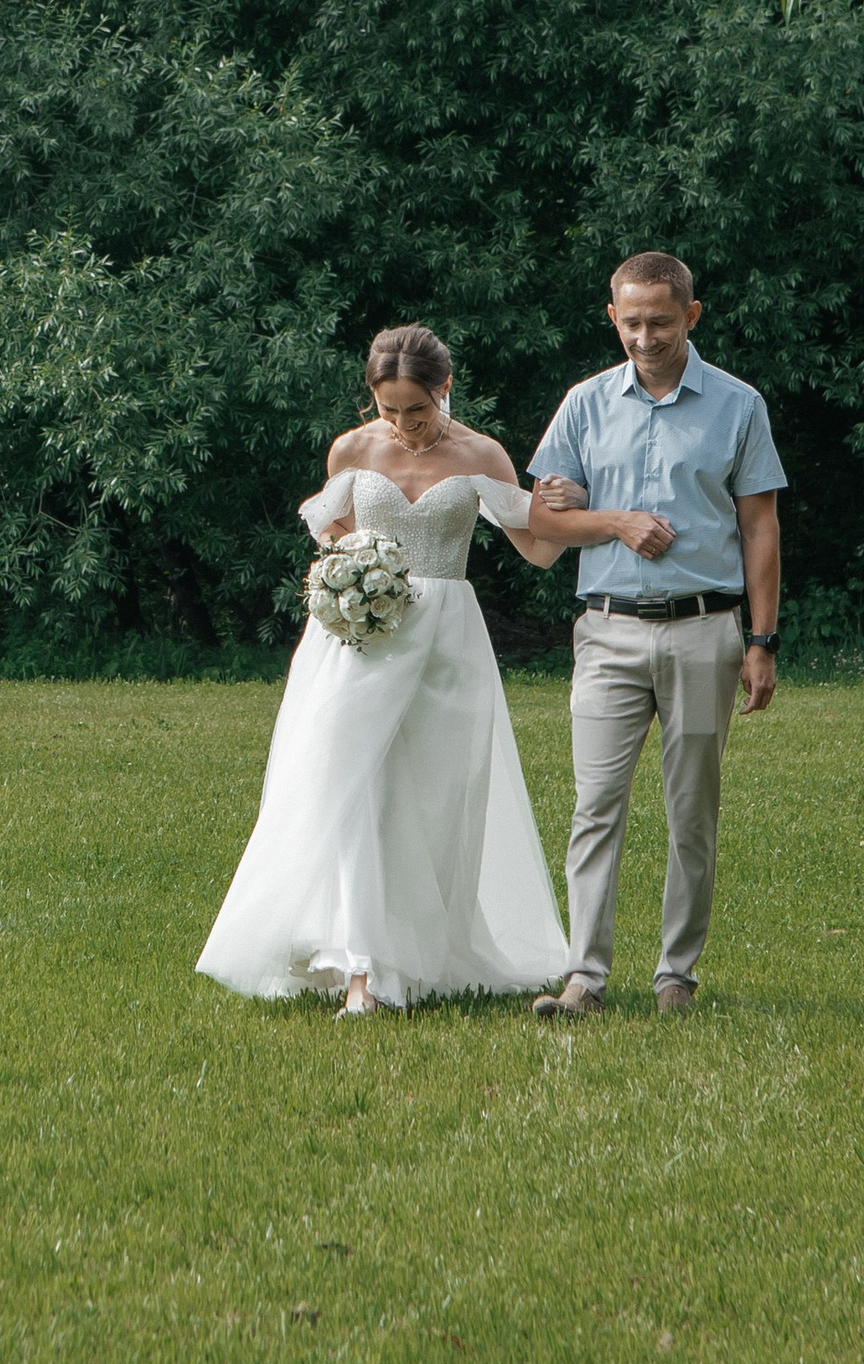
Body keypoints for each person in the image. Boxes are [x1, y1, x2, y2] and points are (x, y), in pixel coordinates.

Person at [197, 325, 571, 1014]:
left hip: (446, 647)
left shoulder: (482, 453)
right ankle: (363, 974)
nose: (401, 426)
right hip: (360, 640)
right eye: (387, 409)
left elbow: (537, 550)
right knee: (356, 787)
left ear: (443, 390)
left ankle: (419, 953)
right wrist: (355, 574)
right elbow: (328, 525)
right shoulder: (352, 447)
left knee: (431, 797)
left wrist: (564, 509)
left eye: (416, 411)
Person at [525, 253, 784, 1017]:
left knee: (690, 810)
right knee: (595, 805)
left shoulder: (739, 406)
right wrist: (611, 520)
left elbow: (761, 527)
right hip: (605, 632)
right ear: (613, 317)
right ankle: (584, 979)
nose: (645, 336)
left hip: (707, 631)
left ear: (692, 316)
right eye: (631, 322)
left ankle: (676, 977)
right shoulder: (584, 403)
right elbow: (543, 517)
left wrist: (763, 641)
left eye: (661, 322)